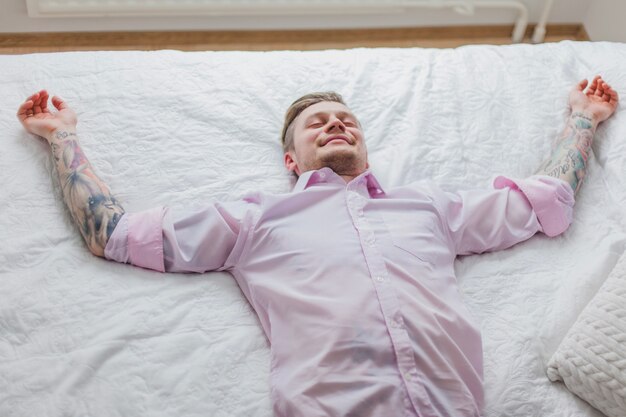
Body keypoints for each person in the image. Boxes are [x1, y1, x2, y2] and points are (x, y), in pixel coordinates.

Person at [17, 76, 619, 417]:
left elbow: (548, 205)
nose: (337, 123)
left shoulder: (431, 207)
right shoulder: (255, 219)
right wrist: (61, 137)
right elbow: (113, 234)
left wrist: (583, 119)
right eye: (318, 122)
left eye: (346, 118)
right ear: (290, 159)